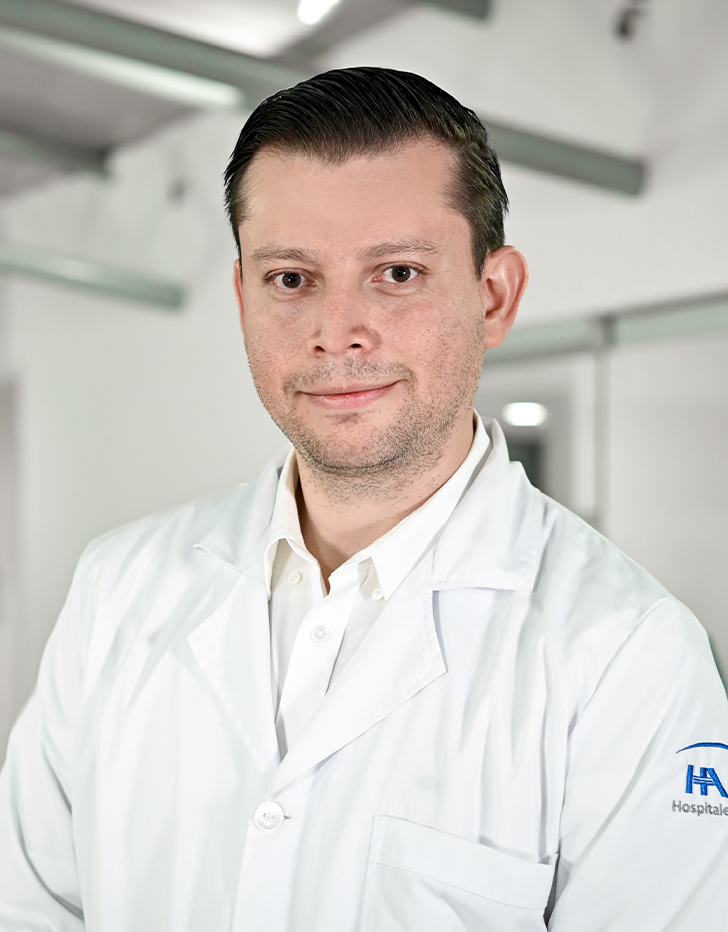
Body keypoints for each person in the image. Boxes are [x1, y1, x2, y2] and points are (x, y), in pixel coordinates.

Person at [1, 66, 727, 932]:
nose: (337, 332)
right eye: (291, 279)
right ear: (242, 297)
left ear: (494, 298)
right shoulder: (117, 587)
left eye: (398, 272)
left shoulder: (629, 654)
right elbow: (31, 905)